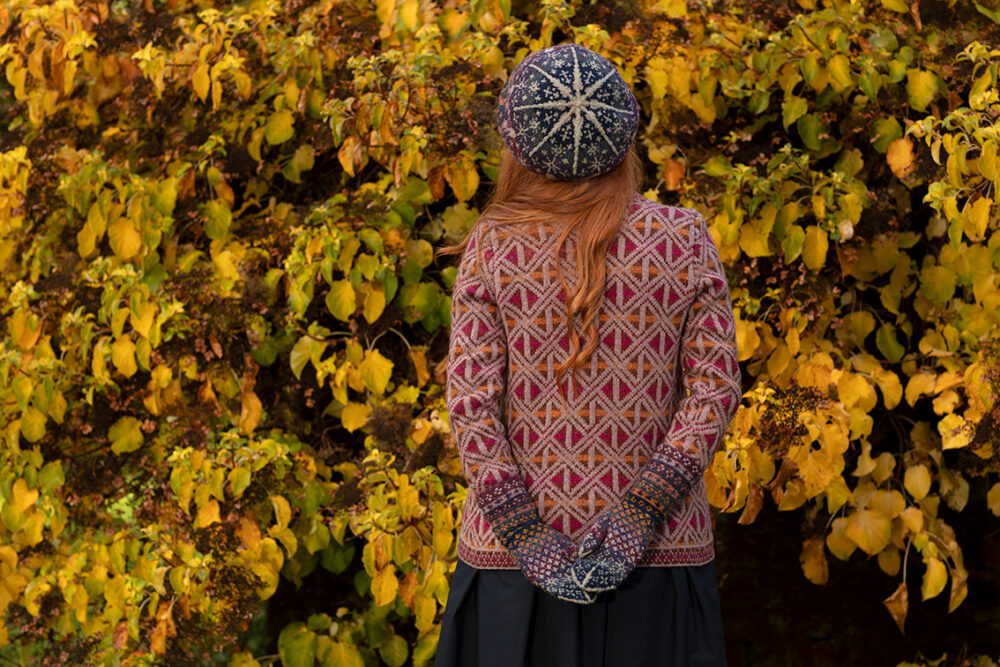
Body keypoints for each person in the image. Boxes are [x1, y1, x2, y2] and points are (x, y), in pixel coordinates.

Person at [433, 43, 742, 667]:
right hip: (659, 560)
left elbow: (470, 408)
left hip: (513, 574)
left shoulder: (493, 245)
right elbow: (714, 390)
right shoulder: (683, 238)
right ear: (624, 136)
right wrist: (639, 513)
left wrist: (527, 534)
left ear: (517, 145)